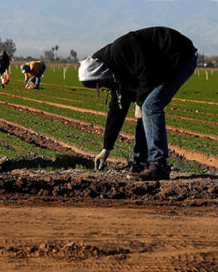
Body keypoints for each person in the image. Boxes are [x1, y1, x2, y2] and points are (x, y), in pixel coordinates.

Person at [78, 26, 197, 181]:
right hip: (159, 68)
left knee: (150, 106)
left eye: (100, 83)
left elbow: (147, 72)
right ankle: (140, 163)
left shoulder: (121, 51)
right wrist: (106, 148)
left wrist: (139, 102)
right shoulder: (114, 74)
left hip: (178, 57)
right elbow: (117, 111)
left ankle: (158, 165)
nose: (103, 85)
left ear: (98, 73)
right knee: (144, 111)